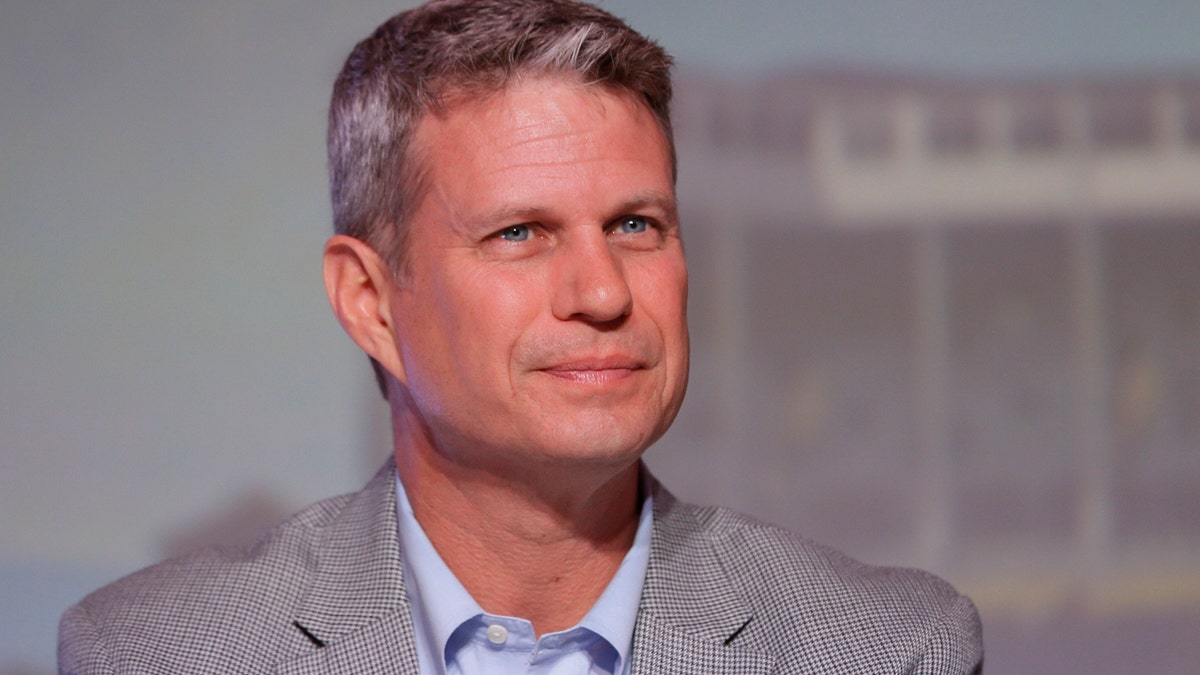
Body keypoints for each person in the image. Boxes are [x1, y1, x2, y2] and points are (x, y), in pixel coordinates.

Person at [58, 0, 984, 672]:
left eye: (635, 225)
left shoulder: (890, 650)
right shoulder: (153, 654)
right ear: (370, 303)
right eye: (520, 234)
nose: (602, 291)